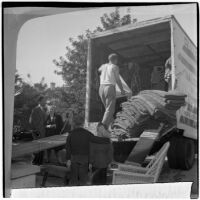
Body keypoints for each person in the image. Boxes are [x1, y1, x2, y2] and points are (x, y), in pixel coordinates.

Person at [65, 120, 110, 186]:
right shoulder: (87, 133)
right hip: (84, 159)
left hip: (74, 158)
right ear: (82, 124)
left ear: (74, 124)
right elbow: (97, 140)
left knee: (73, 179)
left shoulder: (71, 134)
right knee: (83, 179)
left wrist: (68, 159)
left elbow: (68, 148)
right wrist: (108, 140)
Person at [98, 53, 125, 132]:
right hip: (109, 88)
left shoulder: (103, 66)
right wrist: (122, 90)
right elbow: (117, 79)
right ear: (115, 60)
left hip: (101, 88)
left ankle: (114, 126)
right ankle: (102, 128)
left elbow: (98, 71)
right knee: (110, 110)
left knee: (108, 109)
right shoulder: (115, 67)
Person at [29, 95, 47, 165]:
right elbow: (31, 121)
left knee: (41, 149)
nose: (45, 102)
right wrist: (36, 133)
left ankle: (39, 164)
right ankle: (34, 163)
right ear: (39, 101)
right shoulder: (35, 110)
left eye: (45, 100)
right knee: (37, 149)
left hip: (43, 133)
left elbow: (45, 121)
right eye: (44, 100)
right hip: (37, 133)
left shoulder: (44, 110)